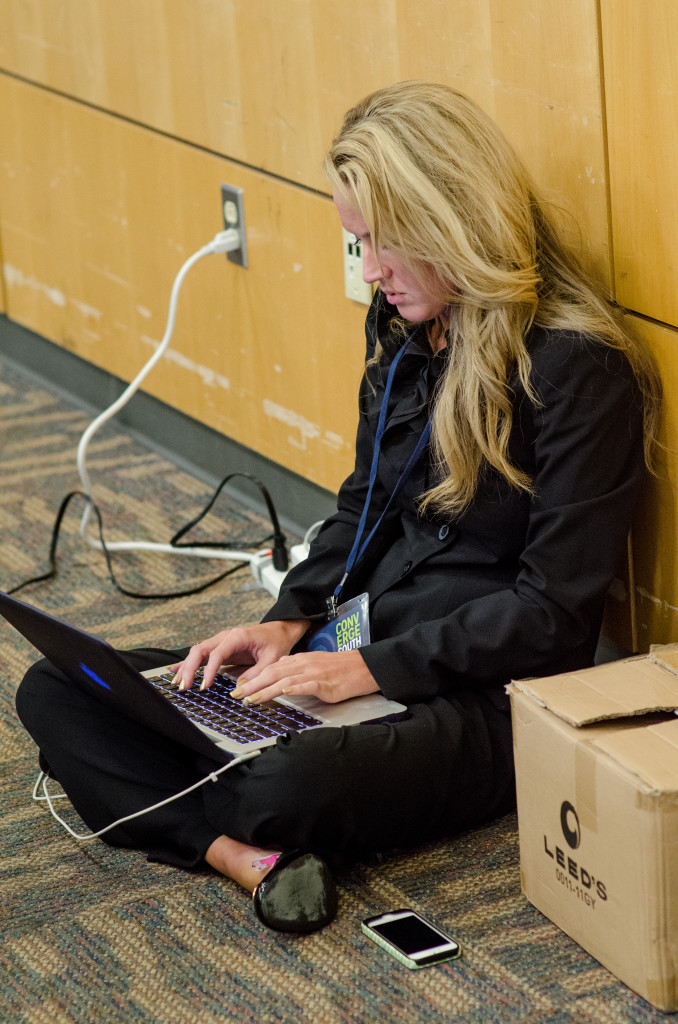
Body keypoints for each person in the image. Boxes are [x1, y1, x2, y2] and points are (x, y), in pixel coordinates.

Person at [16, 81, 661, 934]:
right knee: (63, 686)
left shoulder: (580, 369)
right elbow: (365, 501)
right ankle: (238, 856)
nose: (370, 270)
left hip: (478, 698)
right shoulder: (402, 328)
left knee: (282, 784)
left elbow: (553, 614)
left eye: (382, 244)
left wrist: (365, 672)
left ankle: (224, 828)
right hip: (350, 648)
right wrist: (289, 621)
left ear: (453, 218)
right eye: (357, 243)